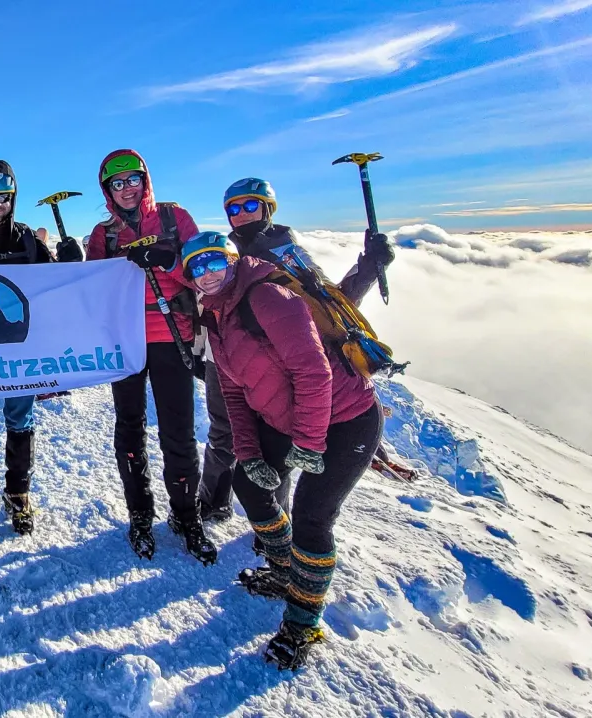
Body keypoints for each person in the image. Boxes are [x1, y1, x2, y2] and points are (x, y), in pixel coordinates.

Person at [182, 231, 384, 670]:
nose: (207, 273)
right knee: (247, 483)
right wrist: (250, 453)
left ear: (234, 260)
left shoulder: (270, 297)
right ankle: (283, 569)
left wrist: (309, 444)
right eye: (196, 267)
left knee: (312, 519)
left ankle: (302, 623)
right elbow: (235, 395)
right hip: (292, 422)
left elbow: (313, 372)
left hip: (348, 420)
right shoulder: (217, 318)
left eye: (214, 260)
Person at [198, 178, 394, 527]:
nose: (240, 214)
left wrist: (366, 270)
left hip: (285, 363)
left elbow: (329, 304)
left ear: (268, 207)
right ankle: (215, 502)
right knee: (227, 432)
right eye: (233, 209)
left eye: (249, 205)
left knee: (276, 441)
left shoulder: (286, 251)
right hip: (228, 359)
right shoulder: (226, 253)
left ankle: (275, 520)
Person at [84, 149, 217, 565]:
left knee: (178, 431)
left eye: (132, 180)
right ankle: (140, 514)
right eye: (116, 184)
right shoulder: (102, 235)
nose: (126, 190)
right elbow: (90, 290)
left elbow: (206, 270)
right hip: (125, 341)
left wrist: (169, 261)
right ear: (108, 190)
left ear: (145, 180)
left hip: (172, 337)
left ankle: (186, 515)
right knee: (130, 429)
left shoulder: (176, 220)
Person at [0, 161, 82, 540]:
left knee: (20, 420)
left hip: (19, 351)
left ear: (13, 198)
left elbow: (53, 284)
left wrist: (70, 263)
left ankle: (18, 492)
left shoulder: (25, 238)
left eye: (3, 197)